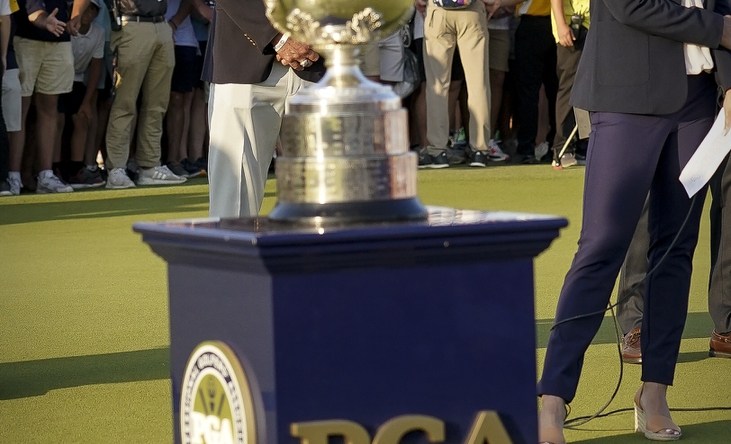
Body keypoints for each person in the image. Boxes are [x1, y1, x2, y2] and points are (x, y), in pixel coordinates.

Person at [536, 2, 731, 444]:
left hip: (700, 101)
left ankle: (655, 394)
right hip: (626, 95)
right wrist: (719, 29)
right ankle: (553, 397)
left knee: (676, 249)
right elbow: (629, 5)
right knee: (601, 245)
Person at [204, 0, 325, 218]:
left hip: (319, 59)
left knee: (326, 198)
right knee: (233, 205)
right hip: (243, 61)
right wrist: (277, 36)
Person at [102, 0, 183, 189]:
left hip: (161, 24)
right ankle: (116, 168)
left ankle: (150, 165)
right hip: (131, 23)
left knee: (157, 104)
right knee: (124, 103)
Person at [418, 0, 506, 169]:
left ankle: (437, 152)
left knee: (437, 86)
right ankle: (480, 150)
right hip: (472, 10)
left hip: (439, 11)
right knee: (478, 84)